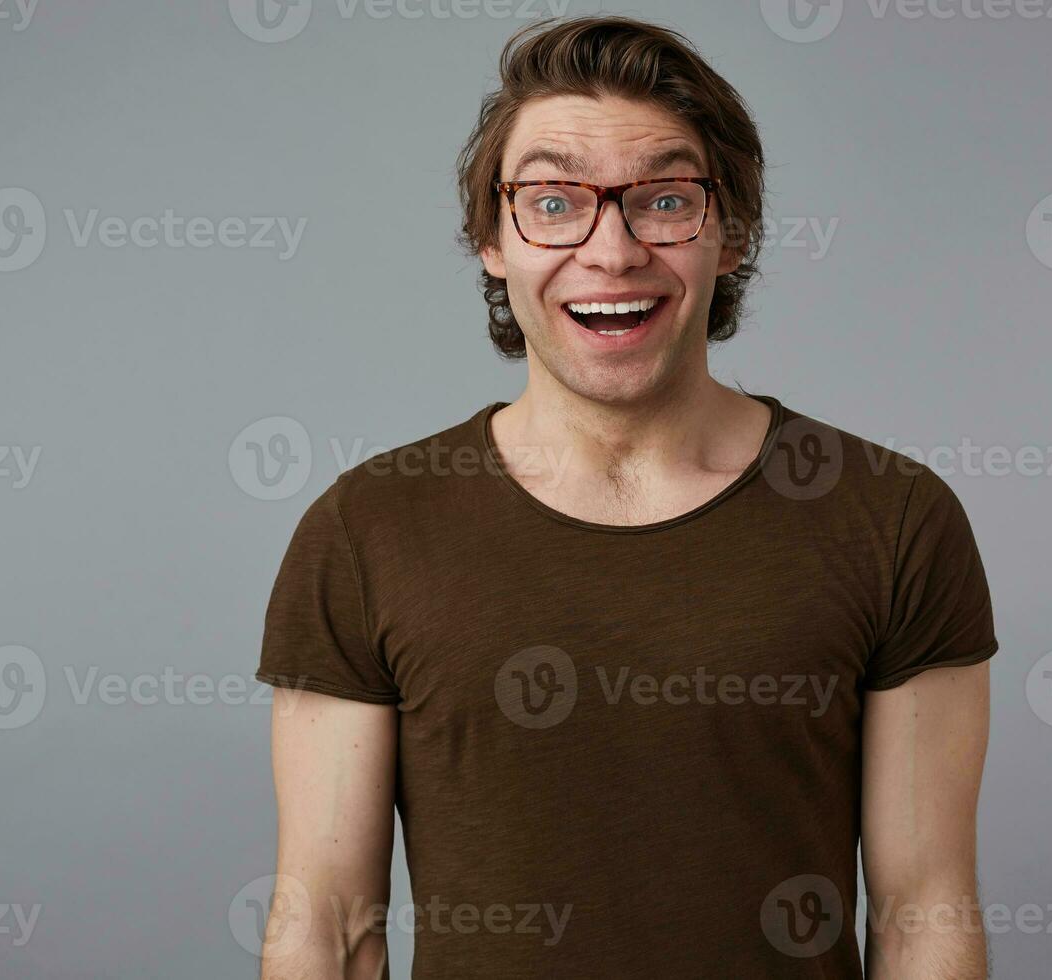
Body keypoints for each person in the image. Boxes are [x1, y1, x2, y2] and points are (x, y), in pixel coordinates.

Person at [255, 15, 998, 979]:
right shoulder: (365, 530)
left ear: (729, 234)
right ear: (491, 237)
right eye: (555, 202)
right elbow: (328, 929)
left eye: (663, 200)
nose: (611, 252)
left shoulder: (893, 520)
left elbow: (922, 915)